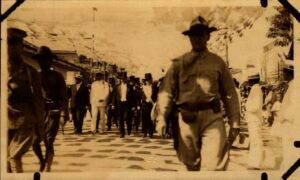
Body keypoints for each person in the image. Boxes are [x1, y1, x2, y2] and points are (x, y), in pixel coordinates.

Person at [155, 16, 240, 171]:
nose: (198, 38)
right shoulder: (178, 64)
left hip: (212, 117)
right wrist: (162, 117)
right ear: (189, 38)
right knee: (191, 164)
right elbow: (166, 92)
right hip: (186, 119)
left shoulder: (218, 62)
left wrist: (235, 122)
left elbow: (230, 94)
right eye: (194, 35)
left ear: (208, 36)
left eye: (201, 34)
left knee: (214, 166)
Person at [7, 28, 45, 173]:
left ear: (21, 47)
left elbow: (38, 100)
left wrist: (40, 127)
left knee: (14, 157)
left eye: (15, 45)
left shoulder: (30, 72)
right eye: (9, 45)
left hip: (24, 120)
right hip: (5, 121)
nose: (11, 49)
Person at [31, 46, 69, 172]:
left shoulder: (58, 76)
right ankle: (42, 160)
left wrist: (63, 113)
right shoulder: (35, 75)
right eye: (40, 60)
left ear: (51, 61)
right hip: (39, 112)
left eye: (45, 59)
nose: (42, 62)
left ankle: (48, 166)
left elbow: (64, 96)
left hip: (54, 111)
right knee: (35, 141)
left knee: (49, 140)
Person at [244, 73, 263, 170]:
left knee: (255, 141)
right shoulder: (256, 89)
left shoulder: (255, 89)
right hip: (254, 119)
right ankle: (254, 162)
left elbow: (255, 107)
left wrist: (246, 107)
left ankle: (255, 163)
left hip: (254, 119)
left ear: (252, 80)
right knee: (254, 140)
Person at [113, 72, 135, 138]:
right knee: (121, 119)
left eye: (124, 79)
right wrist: (113, 104)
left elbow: (133, 97)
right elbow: (114, 96)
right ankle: (122, 133)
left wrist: (134, 105)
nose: (123, 80)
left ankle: (129, 131)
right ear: (120, 80)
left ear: (126, 79)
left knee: (128, 118)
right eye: (122, 79)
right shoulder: (117, 87)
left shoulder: (130, 87)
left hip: (127, 104)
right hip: (119, 104)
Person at [141, 73, 155, 138]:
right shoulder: (143, 88)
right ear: (145, 81)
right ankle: (144, 132)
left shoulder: (154, 88)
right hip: (144, 105)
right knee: (144, 119)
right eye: (147, 80)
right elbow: (138, 97)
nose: (148, 81)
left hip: (152, 105)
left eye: (149, 80)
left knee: (151, 119)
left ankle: (150, 132)